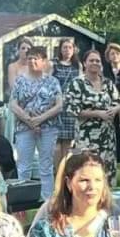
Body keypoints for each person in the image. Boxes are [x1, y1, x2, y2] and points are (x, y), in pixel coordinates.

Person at [9, 46, 62, 199]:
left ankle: (48, 201)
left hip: (48, 128)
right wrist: (29, 120)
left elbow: (59, 105)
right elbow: (13, 104)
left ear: (44, 61)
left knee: (45, 166)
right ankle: (23, 200)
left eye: (36, 58)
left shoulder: (52, 82)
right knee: (24, 166)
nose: (32, 61)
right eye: (30, 57)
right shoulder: (20, 80)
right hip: (24, 128)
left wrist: (40, 119)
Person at [65, 48, 120, 184]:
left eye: (97, 61)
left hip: (107, 138)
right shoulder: (77, 84)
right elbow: (72, 110)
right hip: (86, 138)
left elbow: (119, 102)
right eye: (91, 60)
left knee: (106, 173)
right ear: (84, 63)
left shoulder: (108, 83)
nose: (95, 63)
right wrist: (97, 113)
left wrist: (114, 110)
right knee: (87, 171)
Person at [51, 38, 81, 171]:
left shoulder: (78, 65)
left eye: (70, 47)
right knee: (57, 144)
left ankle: (67, 172)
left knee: (69, 144)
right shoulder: (54, 64)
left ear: (74, 49)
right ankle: (57, 172)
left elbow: (80, 85)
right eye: (64, 47)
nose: (67, 50)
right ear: (60, 49)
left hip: (70, 106)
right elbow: (49, 83)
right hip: (56, 106)